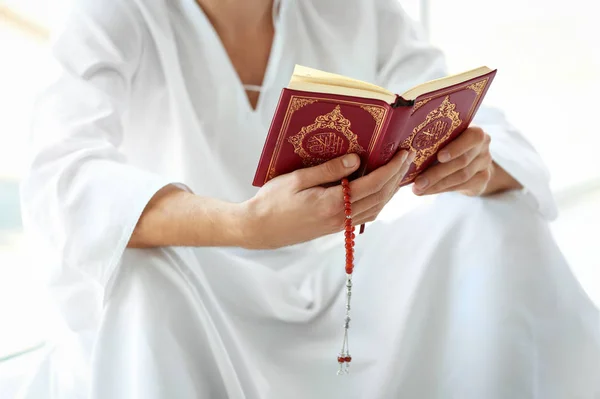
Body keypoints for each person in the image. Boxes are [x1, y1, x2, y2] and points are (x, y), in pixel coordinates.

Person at [19, 0, 600, 397]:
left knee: (489, 221)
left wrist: (476, 162)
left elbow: (445, 96)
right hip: (198, 296)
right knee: (144, 272)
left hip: (337, 289)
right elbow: (61, 177)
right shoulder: (117, 15)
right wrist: (245, 226)